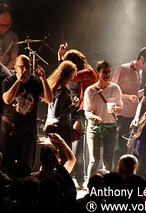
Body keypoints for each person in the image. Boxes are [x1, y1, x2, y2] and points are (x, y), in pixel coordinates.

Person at [0, 54, 53, 174]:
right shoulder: (8, 81)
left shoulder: (35, 82)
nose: (25, 70)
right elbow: (7, 100)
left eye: (27, 67)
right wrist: (19, 81)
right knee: (7, 160)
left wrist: (44, 79)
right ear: (15, 68)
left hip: (27, 128)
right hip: (9, 127)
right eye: (22, 67)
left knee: (27, 161)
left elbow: (49, 99)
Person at [58, 43, 97, 189]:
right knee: (73, 145)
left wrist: (61, 58)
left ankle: (79, 179)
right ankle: (74, 178)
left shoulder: (88, 72)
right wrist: (60, 56)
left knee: (78, 148)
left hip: (83, 113)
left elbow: (68, 75)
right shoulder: (83, 72)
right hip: (76, 110)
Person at [112, 47, 146, 167]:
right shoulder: (123, 69)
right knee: (119, 150)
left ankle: (125, 176)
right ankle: (116, 178)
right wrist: (128, 97)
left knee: (128, 150)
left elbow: (135, 94)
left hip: (132, 116)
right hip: (121, 115)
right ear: (142, 58)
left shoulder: (139, 72)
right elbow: (112, 91)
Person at [83, 60, 123, 180]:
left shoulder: (115, 88)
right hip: (94, 128)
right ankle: (91, 187)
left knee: (108, 161)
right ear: (97, 73)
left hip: (110, 127)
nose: (107, 74)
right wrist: (93, 117)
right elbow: (86, 111)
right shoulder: (90, 90)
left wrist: (116, 108)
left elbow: (121, 109)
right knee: (94, 161)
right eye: (104, 72)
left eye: (109, 72)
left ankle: (107, 187)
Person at [44, 60, 79, 162]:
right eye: (73, 74)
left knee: (54, 158)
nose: (74, 77)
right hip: (59, 128)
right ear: (69, 75)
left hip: (52, 125)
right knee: (64, 158)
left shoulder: (55, 87)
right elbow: (57, 113)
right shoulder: (62, 90)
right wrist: (74, 106)